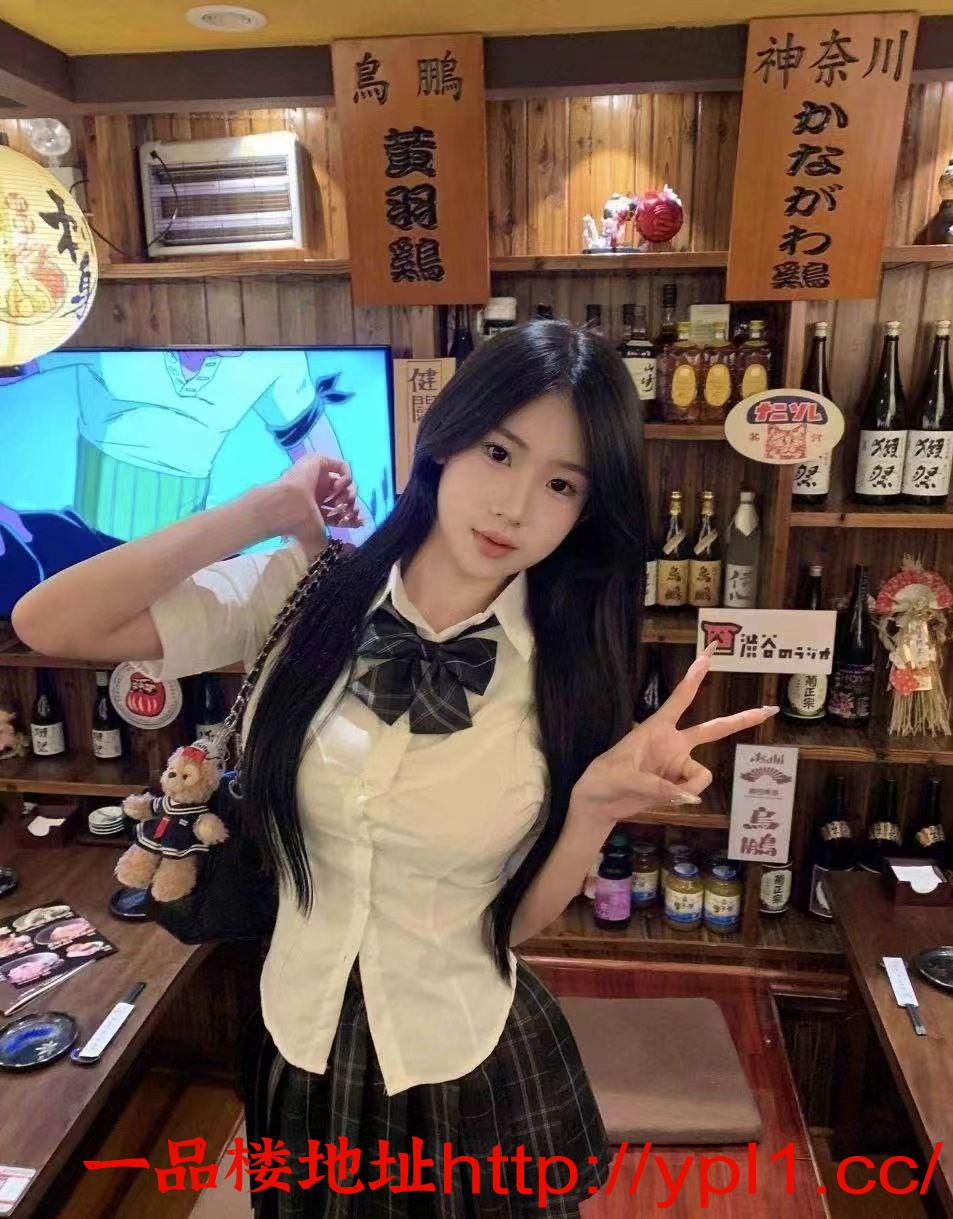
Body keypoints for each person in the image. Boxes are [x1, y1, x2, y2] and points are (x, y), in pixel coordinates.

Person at [12, 320, 778, 1218]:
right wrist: (265, 509)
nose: (514, 506)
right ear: (445, 440)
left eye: (561, 483)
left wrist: (594, 809)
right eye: (499, 452)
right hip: (299, 1042)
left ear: (584, 509)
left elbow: (510, 925)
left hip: (463, 1059)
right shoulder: (303, 593)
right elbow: (52, 620)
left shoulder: (569, 672)